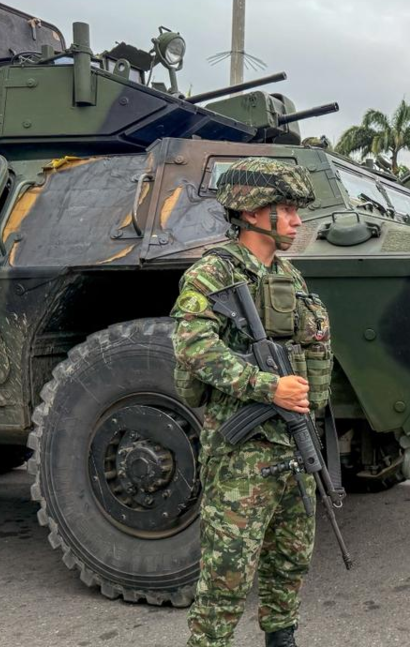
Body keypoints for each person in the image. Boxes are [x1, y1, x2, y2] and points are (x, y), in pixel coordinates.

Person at [173, 158, 327, 647]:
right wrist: (266, 387)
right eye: (288, 208)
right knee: (227, 572)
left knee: (291, 556)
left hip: (292, 441)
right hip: (243, 449)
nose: (298, 221)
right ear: (255, 212)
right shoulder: (212, 272)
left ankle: (282, 637)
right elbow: (192, 346)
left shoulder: (288, 275)